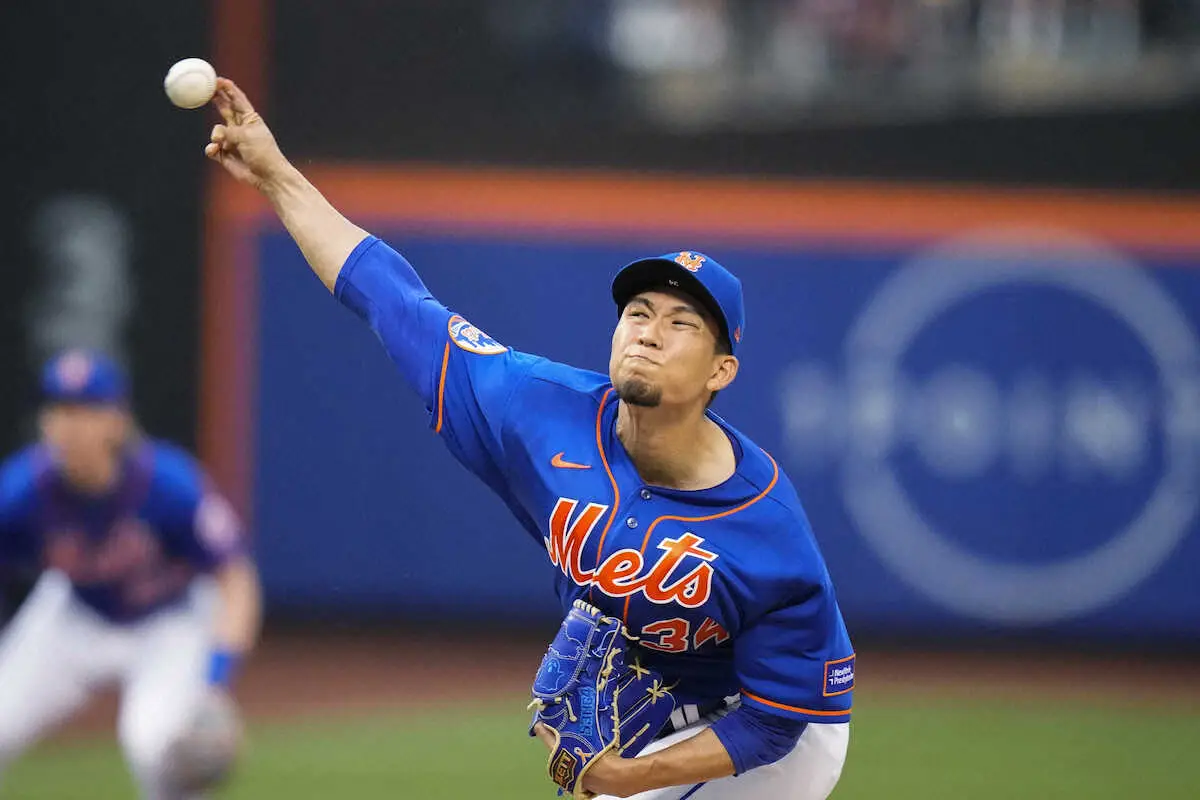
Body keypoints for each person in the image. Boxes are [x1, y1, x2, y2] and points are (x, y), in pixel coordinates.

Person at [205, 77, 852, 799]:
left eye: (681, 324)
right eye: (638, 312)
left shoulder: (767, 532)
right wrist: (275, 174)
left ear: (720, 371)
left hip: (764, 734)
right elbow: (392, 298)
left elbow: (775, 721)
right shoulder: (535, 407)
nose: (649, 332)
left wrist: (628, 776)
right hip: (655, 706)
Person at [0, 349, 260, 799]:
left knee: (159, 748)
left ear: (117, 420)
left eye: (85, 411)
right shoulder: (23, 491)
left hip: (168, 623)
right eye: (58, 410)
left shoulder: (168, 484)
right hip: (73, 615)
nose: (68, 426)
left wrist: (214, 682)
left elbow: (236, 581)